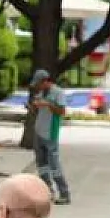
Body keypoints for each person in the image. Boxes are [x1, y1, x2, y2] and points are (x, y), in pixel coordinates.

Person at [27, 70, 70, 204]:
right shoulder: (40, 94)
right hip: (39, 132)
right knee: (42, 165)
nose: (37, 87)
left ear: (45, 81)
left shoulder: (58, 93)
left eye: (39, 84)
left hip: (50, 133)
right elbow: (37, 112)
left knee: (54, 165)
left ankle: (64, 192)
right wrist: (32, 107)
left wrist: (48, 104)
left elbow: (62, 111)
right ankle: (47, 190)